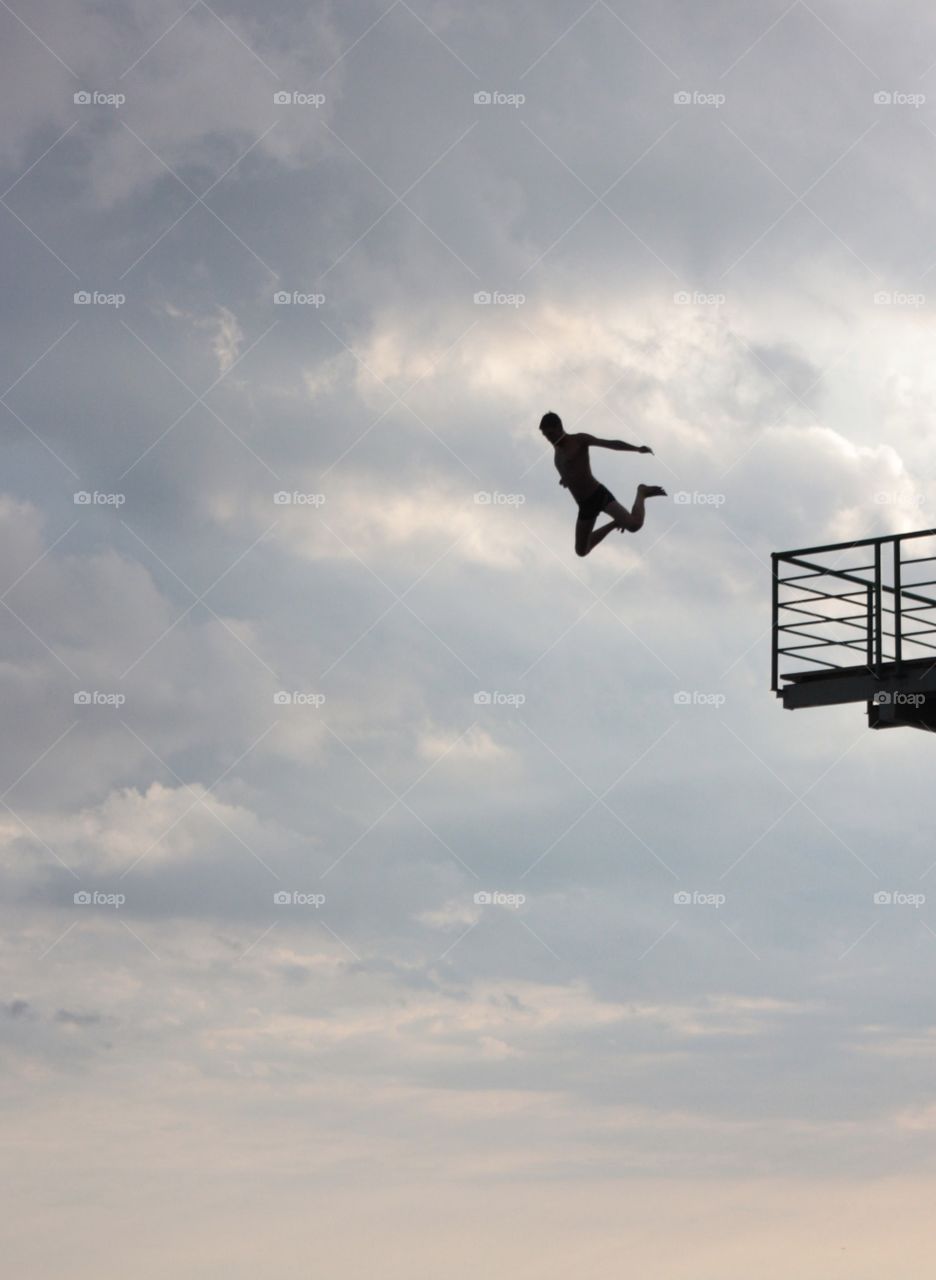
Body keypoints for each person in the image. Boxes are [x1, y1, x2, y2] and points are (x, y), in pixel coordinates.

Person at [539, 411, 666, 557]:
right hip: (585, 506)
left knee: (634, 525)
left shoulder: (579, 440)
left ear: (559, 427)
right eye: (545, 436)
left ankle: (642, 492)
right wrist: (566, 480)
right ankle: (614, 524)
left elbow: (609, 444)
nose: (549, 439)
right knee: (581, 551)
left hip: (598, 495)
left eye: (550, 434)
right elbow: (573, 474)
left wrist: (636, 448)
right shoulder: (557, 454)